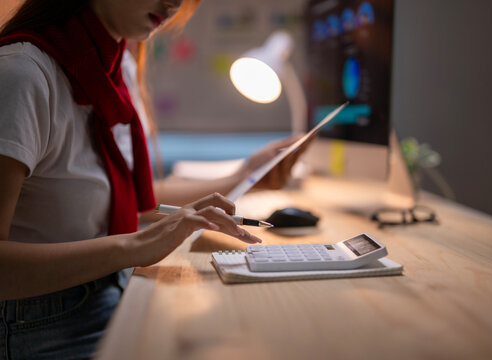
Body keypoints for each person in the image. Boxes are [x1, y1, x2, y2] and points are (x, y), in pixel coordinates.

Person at [0, 0, 306, 358]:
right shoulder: (22, 74)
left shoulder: (117, 65)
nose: (175, 3)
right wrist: (134, 246)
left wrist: (245, 176)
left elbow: (125, 196)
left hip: (109, 288)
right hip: (41, 323)